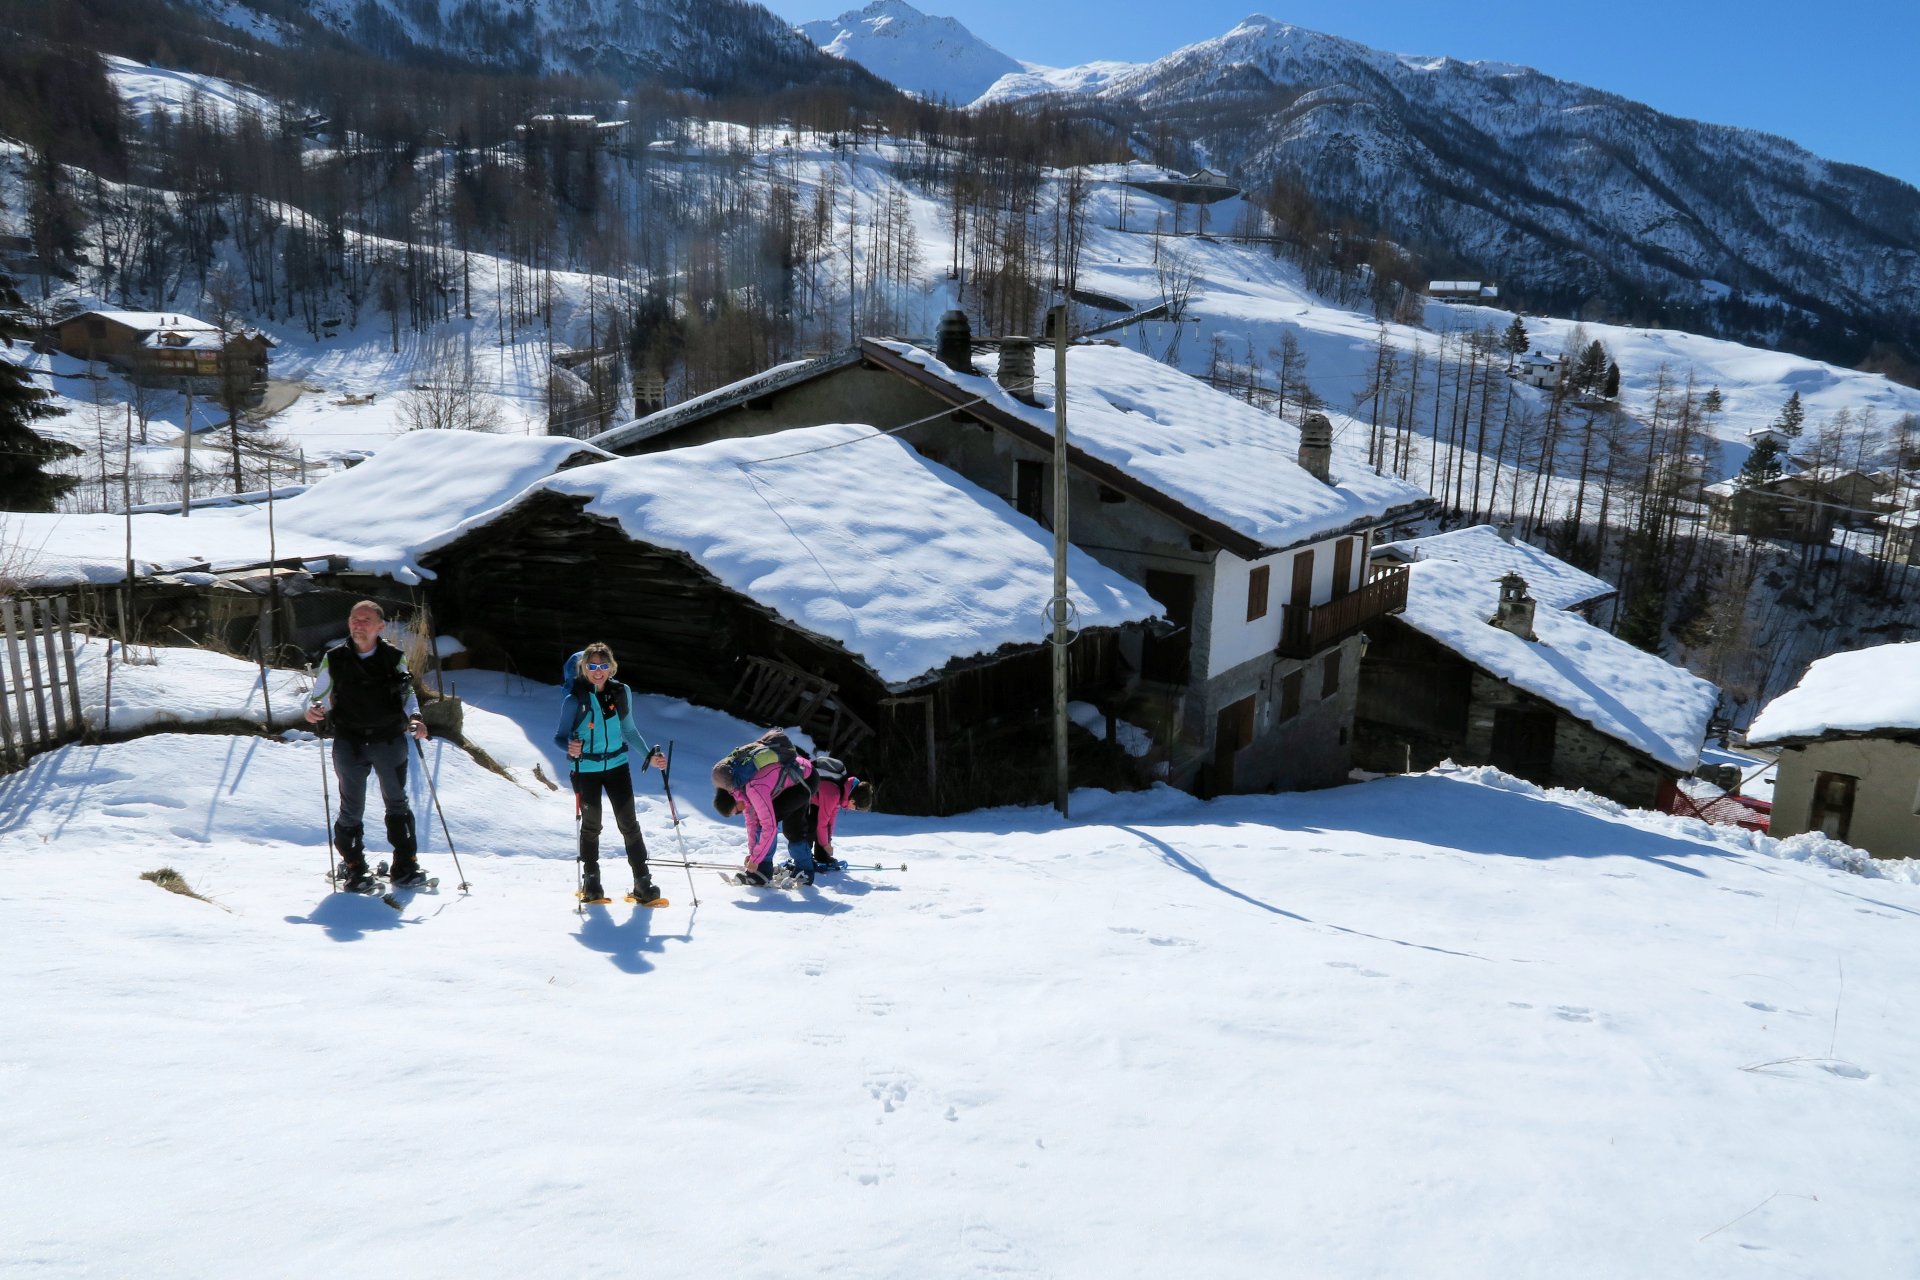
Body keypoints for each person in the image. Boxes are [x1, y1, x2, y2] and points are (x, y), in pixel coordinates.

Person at [305, 600, 431, 891]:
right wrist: (312, 710)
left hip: (388, 740)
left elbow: (407, 692)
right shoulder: (334, 658)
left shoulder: (393, 657)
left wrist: (415, 717)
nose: (358, 625)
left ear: (379, 626)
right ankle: (354, 867)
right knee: (351, 808)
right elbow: (318, 696)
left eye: (365, 620)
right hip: (350, 742)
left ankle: (405, 864)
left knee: (397, 803)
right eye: (354, 619)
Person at [555, 643, 666, 904]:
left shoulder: (621, 692)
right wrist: (569, 747)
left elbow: (629, 730)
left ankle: (643, 882)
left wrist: (650, 755)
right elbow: (560, 737)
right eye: (592, 666)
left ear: (611, 667)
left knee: (629, 824)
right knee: (592, 825)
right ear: (584, 668)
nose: (598, 671)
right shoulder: (575, 699)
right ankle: (592, 882)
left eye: (603, 666)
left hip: (617, 765)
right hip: (585, 769)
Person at [711, 729, 814, 885]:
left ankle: (765, 871)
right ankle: (799, 869)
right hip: (792, 779)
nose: (741, 812)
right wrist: (753, 855)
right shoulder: (741, 790)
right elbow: (751, 824)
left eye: (737, 811)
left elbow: (769, 827)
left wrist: (757, 860)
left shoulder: (753, 788)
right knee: (789, 827)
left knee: (776, 824)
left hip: (805, 780)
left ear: (732, 797)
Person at [804, 754, 875, 874]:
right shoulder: (834, 794)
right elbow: (822, 822)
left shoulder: (841, 793)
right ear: (852, 801)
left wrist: (828, 842)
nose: (852, 810)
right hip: (802, 794)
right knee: (812, 824)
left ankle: (821, 856)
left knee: (820, 827)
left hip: (814, 799)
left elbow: (830, 822)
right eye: (856, 808)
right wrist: (826, 845)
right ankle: (804, 857)